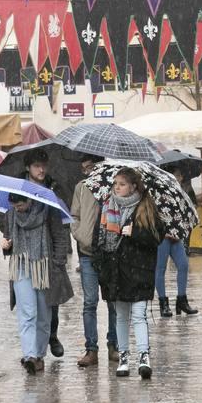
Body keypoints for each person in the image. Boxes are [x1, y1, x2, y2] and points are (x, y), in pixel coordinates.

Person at [93, 167, 165, 379]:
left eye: (122, 184)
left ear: (134, 186)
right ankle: (124, 356)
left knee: (139, 314)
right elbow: (97, 237)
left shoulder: (147, 207)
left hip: (139, 270)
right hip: (115, 270)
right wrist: (100, 266)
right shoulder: (107, 206)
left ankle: (144, 356)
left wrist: (136, 233)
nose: (117, 188)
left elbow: (156, 237)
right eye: (116, 184)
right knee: (121, 316)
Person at [1, 192, 74, 375]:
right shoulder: (10, 214)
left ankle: (40, 354)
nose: (17, 209)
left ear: (29, 200)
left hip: (44, 267)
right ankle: (30, 355)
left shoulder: (48, 210)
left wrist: (57, 264)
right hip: (20, 266)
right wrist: (6, 246)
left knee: (43, 313)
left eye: (20, 205)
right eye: (14, 206)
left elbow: (60, 238)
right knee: (27, 313)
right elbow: (8, 239)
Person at [71, 155, 119, 367]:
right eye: (84, 169)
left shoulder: (115, 185)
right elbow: (75, 216)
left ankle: (114, 345)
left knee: (113, 302)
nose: (87, 171)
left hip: (110, 253)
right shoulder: (81, 187)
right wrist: (81, 235)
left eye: (90, 167)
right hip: (87, 252)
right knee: (89, 302)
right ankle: (91, 349)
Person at [24, 149, 67, 358]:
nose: (41, 169)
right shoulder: (18, 190)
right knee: (29, 308)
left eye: (44, 165)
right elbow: (4, 218)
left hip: (48, 256)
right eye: (36, 166)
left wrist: (59, 260)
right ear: (28, 168)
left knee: (51, 302)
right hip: (24, 257)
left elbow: (59, 230)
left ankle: (52, 336)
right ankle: (32, 351)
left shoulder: (52, 191)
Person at [155, 164, 198, 318]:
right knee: (160, 269)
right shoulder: (157, 192)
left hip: (177, 236)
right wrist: (165, 231)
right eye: (177, 175)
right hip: (163, 237)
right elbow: (155, 217)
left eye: (180, 176)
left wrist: (181, 230)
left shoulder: (181, 193)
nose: (180, 178)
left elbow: (184, 215)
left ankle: (181, 300)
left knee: (183, 265)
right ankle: (163, 303)